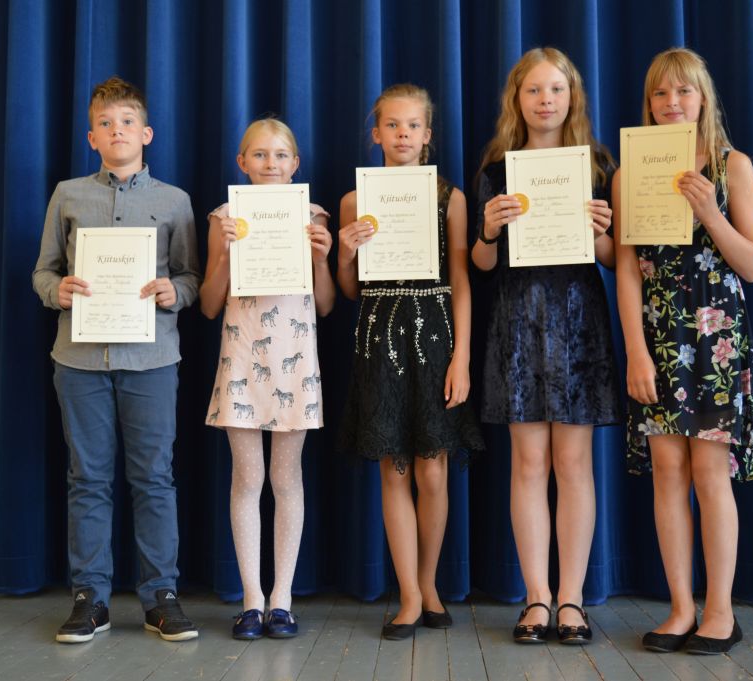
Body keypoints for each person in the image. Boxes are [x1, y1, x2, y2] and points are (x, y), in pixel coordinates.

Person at [32, 76, 201, 643]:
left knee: (154, 478)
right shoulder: (68, 194)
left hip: (152, 360)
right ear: (92, 137)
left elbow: (190, 276)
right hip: (79, 360)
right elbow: (44, 270)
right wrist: (55, 290)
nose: (117, 130)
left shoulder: (174, 201)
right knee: (88, 479)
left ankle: (161, 597)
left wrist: (175, 292)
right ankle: (90, 599)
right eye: (105, 124)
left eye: (127, 122)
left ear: (146, 133)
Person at [614, 47, 753, 655]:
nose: (671, 102)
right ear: (648, 103)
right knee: (668, 474)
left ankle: (720, 611)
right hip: (659, 340)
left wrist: (709, 212)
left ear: (703, 98)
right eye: (660, 92)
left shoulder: (732, 166)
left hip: (716, 340)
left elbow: (752, 264)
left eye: (683, 91)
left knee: (709, 474)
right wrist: (636, 351)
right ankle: (680, 607)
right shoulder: (631, 172)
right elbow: (628, 270)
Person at [472, 47, 621, 645]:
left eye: (556, 89)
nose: (545, 100)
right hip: (518, 324)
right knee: (528, 464)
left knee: (574, 465)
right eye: (534, 90)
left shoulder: (598, 168)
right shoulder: (496, 171)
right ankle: (536, 597)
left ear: (572, 97)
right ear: (517, 98)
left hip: (580, 323)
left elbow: (614, 259)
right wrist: (488, 230)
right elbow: (482, 263)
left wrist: (602, 232)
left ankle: (572, 600)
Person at [337, 83, 483, 641]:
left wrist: (462, 357)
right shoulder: (355, 200)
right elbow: (350, 290)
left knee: (433, 470)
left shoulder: (450, 197)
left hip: (436, 338)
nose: (402, 134)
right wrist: (346, 253)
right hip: (379, 339)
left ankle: (429, 584)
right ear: (376, 134)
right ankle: (408, 595)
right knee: (394, 468)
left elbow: (462, 279)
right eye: (392, 125)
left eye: (412, 125)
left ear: (427, 135)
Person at [200, 118, 335, 640]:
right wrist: (227, 253)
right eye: (259, 154)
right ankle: (251, 600)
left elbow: (325, 304)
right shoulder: (225, 217)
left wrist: (321, 259)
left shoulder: (312, 215)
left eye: (280, 155)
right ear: (242, 163)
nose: (270, 163)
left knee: (286, 479)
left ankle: (283, 599)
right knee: (247, 479)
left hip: (294, 362)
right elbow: (209, 304)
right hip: (242, 359)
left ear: (295, 164)